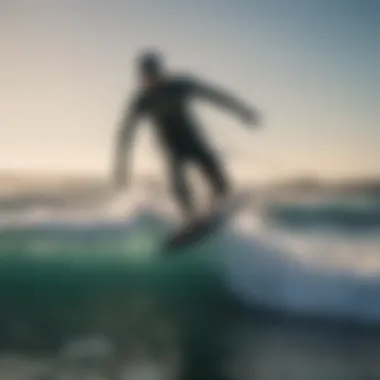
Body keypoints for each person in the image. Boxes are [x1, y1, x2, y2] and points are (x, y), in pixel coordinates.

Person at [113, 50, 260, 223]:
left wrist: (243, 111)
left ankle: (219, 203)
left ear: (160, 71)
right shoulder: (141, 100)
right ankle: (190, 217)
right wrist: (122, 168)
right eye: (145, 74)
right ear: (141, 76)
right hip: (170, 146)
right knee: (178, 180)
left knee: (219, 181)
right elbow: (126, 135)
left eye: (153, 72)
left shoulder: (179, 86)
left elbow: (215, 96)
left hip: (193, 139)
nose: (150, 77)